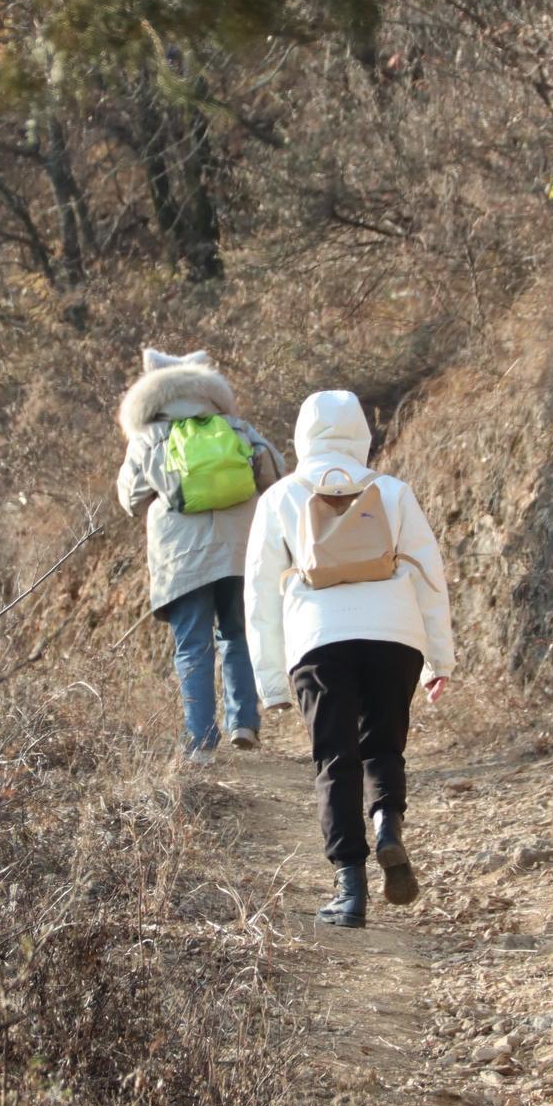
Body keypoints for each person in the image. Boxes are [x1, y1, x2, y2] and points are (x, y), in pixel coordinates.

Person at [244, 389, 454, 928]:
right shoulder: (392, 491)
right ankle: (387, 824)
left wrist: (270, 683)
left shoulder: (282, 497)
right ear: (361, 433)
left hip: (319, 642)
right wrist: (438, 659)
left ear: (301, 436)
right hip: (394, 636)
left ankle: (351, 890)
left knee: (335, 758)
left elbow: (260, 598)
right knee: (383, 745)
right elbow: (430, 578)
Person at [117, 347, 283, 761]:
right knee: (237, 635)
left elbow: (129, 499)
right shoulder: (236, 427)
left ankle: (200, 741)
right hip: (239, 550)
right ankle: (243, 722)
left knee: (192, 646)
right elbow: (276, 472)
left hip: (181, 556)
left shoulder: (149, 437)